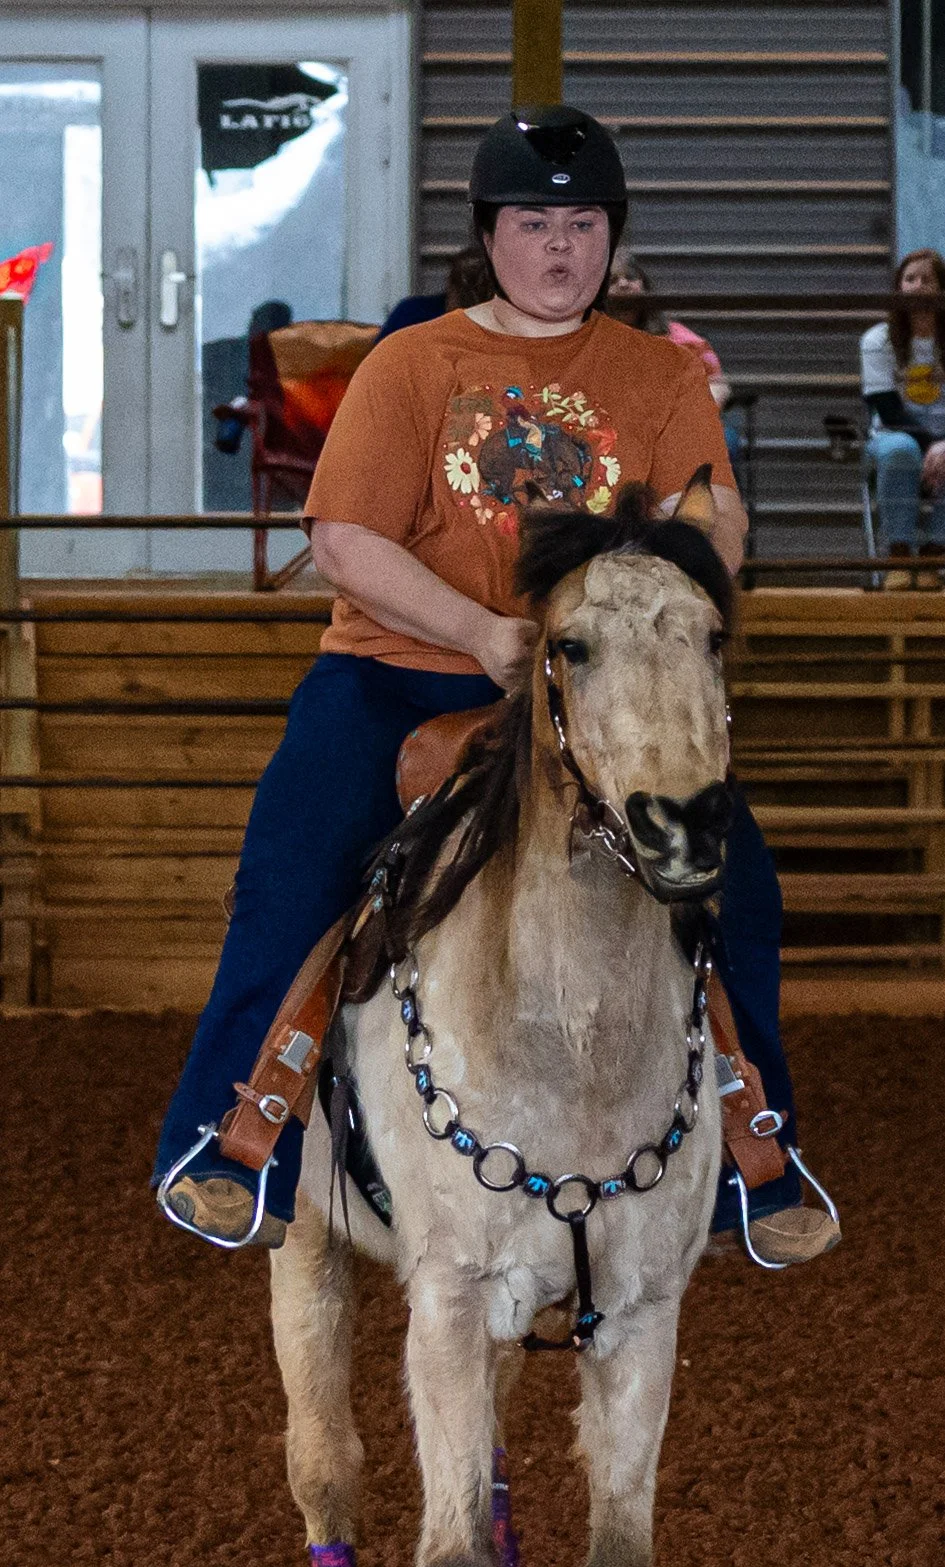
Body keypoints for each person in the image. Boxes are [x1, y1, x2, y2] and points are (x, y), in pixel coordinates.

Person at [154, 105, 837, 1266]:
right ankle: (233, 1140)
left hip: (598, 699)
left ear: (612, 238)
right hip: (401, 675)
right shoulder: (415, 362)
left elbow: (712, 522)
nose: (561, 248)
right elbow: (345, 536)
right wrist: (481, 631)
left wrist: (667, 602)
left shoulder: (660, 376)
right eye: (534, 222)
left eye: (583, 223)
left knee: (740, 888)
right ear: (488, 235)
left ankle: (749, 1153)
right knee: (294, 872)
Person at [607, 245, 743, 473]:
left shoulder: (679, 337)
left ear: (645, 287)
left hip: (680, 428)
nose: (623, 284)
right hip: (614, 431)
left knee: (724, 442)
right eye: (612, 281)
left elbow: (718, 385)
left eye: (631, 277)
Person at [861, 248, 945, 590]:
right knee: (901, 450)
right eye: (910, 279)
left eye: (928, 279)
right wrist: (934, 446)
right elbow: (888, 410)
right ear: (898, 287)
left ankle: (933, 551)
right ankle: (898, 554)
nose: (918, 286)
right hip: (892, 436)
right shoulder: (877, 340)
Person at [372, 246, 493, 343]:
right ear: (450, 286)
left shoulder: (502, 324)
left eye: (480, 286)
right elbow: (376, 362)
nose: (469, 293)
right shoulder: (411, 313)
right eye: (460, 283)